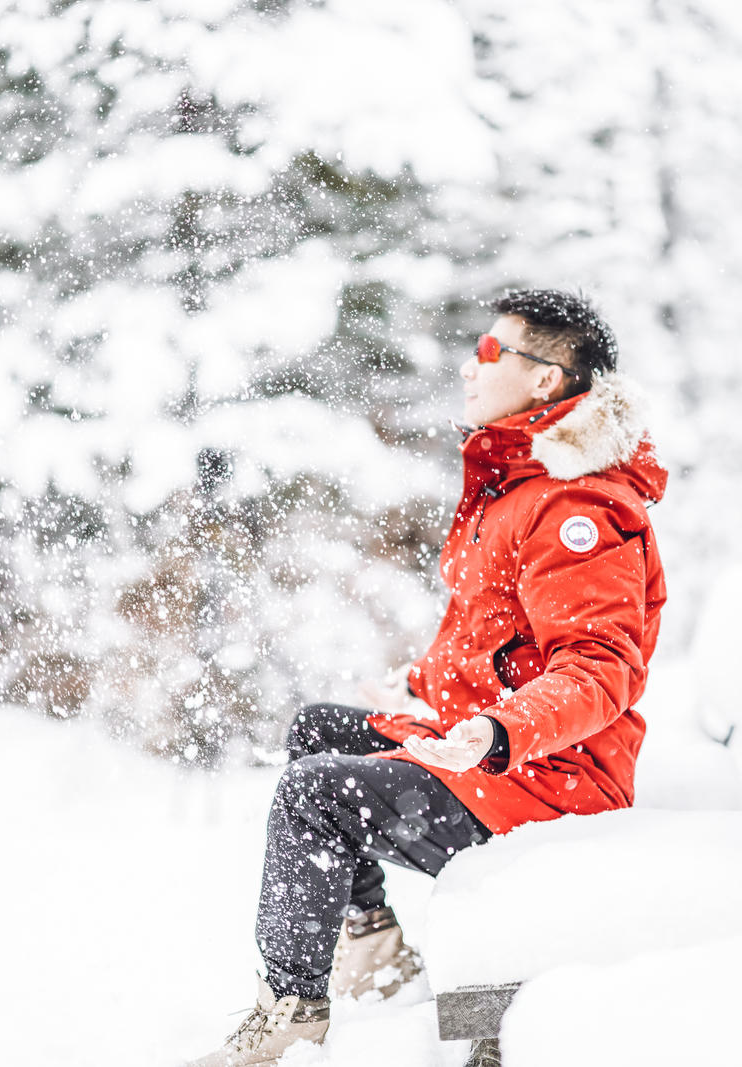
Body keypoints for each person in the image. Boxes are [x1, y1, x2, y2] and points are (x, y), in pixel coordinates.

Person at [186, 288, 667, 1066]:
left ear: (547, 379)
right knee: (318, 729)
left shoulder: (577, 504)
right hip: (490, 751)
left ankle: (291, 1019)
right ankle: (376, 956)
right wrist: (420, 689)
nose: (471, 368)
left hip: (550, 776)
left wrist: (501, 729)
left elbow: (600, 665)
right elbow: (493, 639)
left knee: (314, 795)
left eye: (490, 352)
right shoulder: (518, 486)